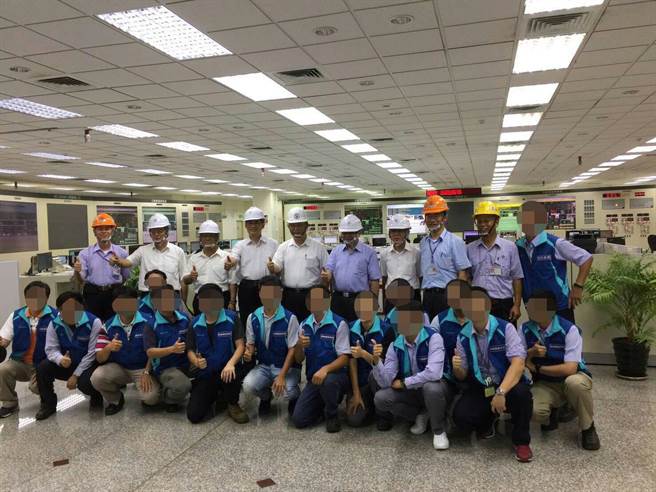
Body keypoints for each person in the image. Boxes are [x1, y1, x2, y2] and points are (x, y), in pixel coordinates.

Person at [452, 287, 533, 462]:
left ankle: (521, 441)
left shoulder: (506, 328)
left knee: (522, 394)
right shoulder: (463, 335)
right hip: (482, 385)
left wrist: (501, 392)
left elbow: (518, 364)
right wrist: (457, 368)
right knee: (461, 417)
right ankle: (489, 419)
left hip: (507, 383)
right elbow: (462, 375)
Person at [522, 290, 600, 451]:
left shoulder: (569, 329)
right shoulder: (525, 329)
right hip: (545, 383)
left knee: (575, 384)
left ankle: (588, 428)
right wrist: (531, 353)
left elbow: (570, 368)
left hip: (573, 377)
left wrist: (537, 368)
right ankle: (553, 410)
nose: (530, 310)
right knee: (534, 411)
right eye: (529, 306)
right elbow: (517, 359)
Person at [373, 301, 452, 450]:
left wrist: (405, 383)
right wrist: (376, 362)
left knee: (431, 388)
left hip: (437, 388)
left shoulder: (434, 338)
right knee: (381, 398)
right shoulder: (395, 344)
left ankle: (439, 430)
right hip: (412, 391)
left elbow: (434, 373)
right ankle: (422, 414)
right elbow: (386, 382)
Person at [516, 201, 593, 323]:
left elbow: (586, 258)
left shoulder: (554, 243)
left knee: (564, 335)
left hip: (559, 306)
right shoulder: (519, 247)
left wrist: (578, 286)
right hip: (533, 307)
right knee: (538, 336)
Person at [91, 286, 159, 415]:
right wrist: (109, 347)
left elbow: (155, 351)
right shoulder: (107, 325)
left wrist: (147, 371)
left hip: (143, 368)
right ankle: (116, 400)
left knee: (151, 398)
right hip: (120, 368)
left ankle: (150, 390)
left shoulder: (149, 321)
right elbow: (100, 358)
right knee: (97, 377)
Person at [35, 291, 103, 420]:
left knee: (85, 383)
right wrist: (60, 359)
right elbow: (51, 349)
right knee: (43, 367)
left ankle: (96, 395)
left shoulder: (94, 322)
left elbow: (92, 353)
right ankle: (48, 404)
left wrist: (76, 375)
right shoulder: (54, 324)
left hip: (88, 366)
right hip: (67, 363)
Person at [186, 283, 248, 424]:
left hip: (228, 369)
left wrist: (231, 364)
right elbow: (190, 350)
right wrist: (196, 361)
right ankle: (217, 396)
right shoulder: (194, 323)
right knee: (194, 415)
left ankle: (232, 403)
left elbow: (240, 346)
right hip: (206, 371)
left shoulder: (232, 318)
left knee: (231, 375)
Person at [291, 286, 350, 432]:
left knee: (329, 382)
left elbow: (344, 358)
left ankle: (332, 415)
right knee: (299, 420)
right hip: (314, 379)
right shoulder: (304, 325)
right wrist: (299, 346)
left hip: (336, 377)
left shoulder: (339, 323)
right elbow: (299, 359)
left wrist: (325, 369)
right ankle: (323, 406)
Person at [242, 276, 301, 416]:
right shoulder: (253, 317)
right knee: (248, 386)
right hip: (264, 366)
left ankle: (295, 398)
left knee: (288, 392)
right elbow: (250, 344)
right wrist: (248, 353)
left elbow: (292, 350)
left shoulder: (290, 318)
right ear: (259, 293)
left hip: (287, 367)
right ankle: (266, 397)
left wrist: (281, 376)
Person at [0, 281, 58, 418]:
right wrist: (1, 342)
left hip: (42, 363)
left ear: (47, 298)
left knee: (36, 387)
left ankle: (48, 398)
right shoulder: (16, 315)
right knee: (3, 370)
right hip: (20, 362)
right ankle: (10, 403)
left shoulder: (56, 317)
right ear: (26, 298)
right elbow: (4, 340)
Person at [110, 213, 188, 312]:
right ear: (150, 233)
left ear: (166, 232)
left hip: (170, 295)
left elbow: (183, 278)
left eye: (159, 231)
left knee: (171, 321)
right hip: (148, 295)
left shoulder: (178, 251)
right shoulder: (143, 250)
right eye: (153, 232)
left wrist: (183, 300)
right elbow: (128, 262)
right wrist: (118, 261)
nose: (156, 234)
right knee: (147, 320)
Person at [467, 201, 523, 323]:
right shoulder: (470, 248)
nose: (482, 225)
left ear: (496, 221)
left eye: (487, 221)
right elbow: (468, 278)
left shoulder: (510, 247)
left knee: (505, 335)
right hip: (478, 304)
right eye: (479, 221)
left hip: (504, 305)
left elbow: (517, 278)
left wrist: (517, 305)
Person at [269, 207, 328, 322]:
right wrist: (272, 267)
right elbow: (277, 266)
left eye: (299, 225)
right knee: (289, 325)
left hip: (312, 295)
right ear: (288, 227)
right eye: (292, 226)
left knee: (311, 325)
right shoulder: (283, 247)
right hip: (288, 296)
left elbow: (327, 271)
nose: (296, 229)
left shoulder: (318, 248)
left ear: (306, 225)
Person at [419, 195, 470, 321]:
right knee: (429, 329)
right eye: (429, 216)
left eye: (436, 215)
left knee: (448, 328)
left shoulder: (455, 241)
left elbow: (462, 273)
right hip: (427, 296)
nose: (432, 220)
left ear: (444, 217)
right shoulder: (423, 243)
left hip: (447, 296)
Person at [225, 206, 279, 327]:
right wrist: (231, 262)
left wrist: (273, 267)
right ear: (245, 225)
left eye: (256, 223)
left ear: (263, 224)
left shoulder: (273, 244)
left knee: (270, 319)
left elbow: (278, 265)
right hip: (247, 288)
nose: (253, 226)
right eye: (250, 223)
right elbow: (234, 257)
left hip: (267, 286)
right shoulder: (240, 245)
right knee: (247, 319)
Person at [322, 213, 381, 322]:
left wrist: (373, 302)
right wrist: (327, 275)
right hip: (338, 300)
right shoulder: (336, 251)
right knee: (338, 328)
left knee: (358, 328)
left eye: (351, 233)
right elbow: (329, 269)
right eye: (344, 233)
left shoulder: (369, 253)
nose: (347, 236)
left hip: (360, 298)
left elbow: (374, 281)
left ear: (359, 233)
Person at [74, 213, 131, 321]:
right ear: (94, 232)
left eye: (107, 229)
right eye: (100, 229)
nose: (104, 231)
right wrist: (77, 271)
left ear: (112, 231)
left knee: (115, 323)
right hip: (93, 295)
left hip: (114, 294)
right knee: (93, 324)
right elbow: (81, 280)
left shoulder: (121, 253)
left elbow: (126, 276)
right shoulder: (85, 254)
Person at [144, 285, 191, 413]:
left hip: (187, 362)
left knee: (212, 366)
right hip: (166, 367)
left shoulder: (184, 318)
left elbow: (193, 340)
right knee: (183, 386)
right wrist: (172, 349)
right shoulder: (151, 324)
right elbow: (150, 352)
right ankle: (169, 399)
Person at [346, 291, 385, 427]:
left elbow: (385, 368)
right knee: (354, 420)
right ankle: (365, 403)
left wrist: (364, 354)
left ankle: (383, 414)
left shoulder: (386, 330)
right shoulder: (350, 328)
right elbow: (351, 361)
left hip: (378, 381)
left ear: (376, 308)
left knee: (375, 376)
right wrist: (356, 392)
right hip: (359, 381)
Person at [182, 220, 237, 315]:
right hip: (200, 299)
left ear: (217, 238)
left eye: (211, 235)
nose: (207, 238)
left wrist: (232, 302)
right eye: (204, 236)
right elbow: (185, 281)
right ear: (200, 238)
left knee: (223, 323)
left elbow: (232, 282)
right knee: (200, 323)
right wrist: (191, 277)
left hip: (221, 298)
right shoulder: (194, 258)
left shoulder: (227, 257)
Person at [430, 279, 471, 383]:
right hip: (447, 376)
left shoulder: (479, 318)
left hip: (477, 376)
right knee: (431, 388)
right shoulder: (438, 320)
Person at [380, 214, 421, 312]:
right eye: (393, 231)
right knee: (391, 321)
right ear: (389, 234)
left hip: (411, 295)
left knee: (412, 321)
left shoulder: (416, 252)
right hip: (391, 295)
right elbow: (384, 276)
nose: (396, 234)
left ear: (407, 233)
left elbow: (419, 275)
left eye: (400, 231)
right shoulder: (384, 253)